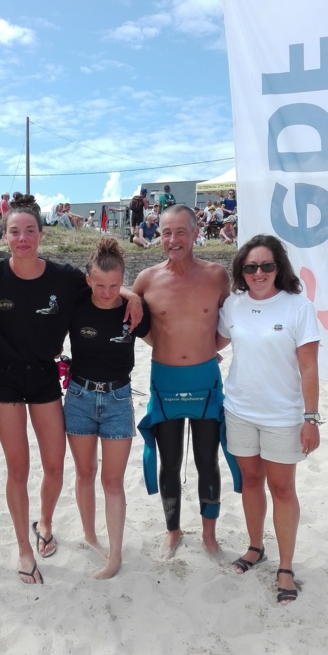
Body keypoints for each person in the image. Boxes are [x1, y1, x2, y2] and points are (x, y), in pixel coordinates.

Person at [0, 202, 143, 584]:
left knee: (55, 465)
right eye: (15, 231)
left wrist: (131, 294)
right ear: (5, 235)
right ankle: (24, 549)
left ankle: (45, 524)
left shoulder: (63, 277)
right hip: (4, 376)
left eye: (29, 231)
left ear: (41, 234)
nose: (22, 238)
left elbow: (102, 283)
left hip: (44, 374)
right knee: (17, 468)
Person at [216, 234, 320, 606]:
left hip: (283, 416)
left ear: (279, 267)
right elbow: (213, 342)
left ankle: (286, 566)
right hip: (239, 410)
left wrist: (311, 418)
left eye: (266, 265)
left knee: (282, 489)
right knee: (251, 481)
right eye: (250, 267)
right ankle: (255, 547)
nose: (258, 273)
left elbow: (309, 368)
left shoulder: (297, 307)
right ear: (241, 271)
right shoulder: (234, 304)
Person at [134, 205, 236, 560]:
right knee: (170, 461)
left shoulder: (216, 275)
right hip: (165, 379)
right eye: (166, 233)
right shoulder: (146, 279)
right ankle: (173, 531)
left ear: (195, 233)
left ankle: (209, 534)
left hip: (205, 379)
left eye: (181, 232)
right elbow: (139, 324)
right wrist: (167, 345)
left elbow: (230, 321)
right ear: (158, 236)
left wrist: (207, 349)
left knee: (208, 460)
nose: (173, 239)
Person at [64, 237, 150, 579]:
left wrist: (133, 297)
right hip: (79, 397)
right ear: (88, 280)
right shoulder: (76, 302)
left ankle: (115, 555)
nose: (107, 292)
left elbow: (162, 338)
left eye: (115, 285)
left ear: (123, 279)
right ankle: (90, 535)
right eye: (99, 285)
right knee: (84, 473)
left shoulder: (133, 310)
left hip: (118, 399)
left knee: (112, 481)